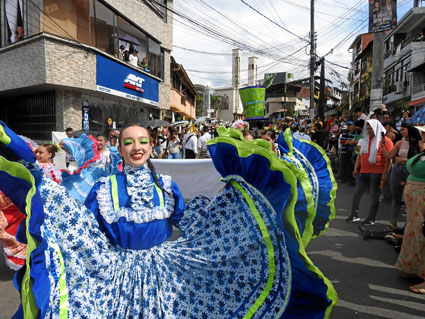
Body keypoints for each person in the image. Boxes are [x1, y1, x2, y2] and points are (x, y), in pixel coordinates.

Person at [0, 122, 338, 318]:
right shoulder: (104, 187)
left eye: (143, 141)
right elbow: (86, 229)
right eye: (129, 142)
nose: (137, 147)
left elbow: (189, 221)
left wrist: (229, 217)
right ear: (119, 148)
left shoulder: (166, 185)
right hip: (116, 274)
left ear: (151, 147)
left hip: (166, 268)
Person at [395, 124, 425, 294]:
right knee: (415, 233)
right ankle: (415, 269)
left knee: (422, 235)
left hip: (422, 201)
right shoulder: (421, 150)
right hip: (415, 203)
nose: (421, 134)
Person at [346, 119, 393, 224]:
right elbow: (360, 154)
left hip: (377, 173)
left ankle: (371, 218)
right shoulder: (365, 139)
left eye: (371, 128)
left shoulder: (386, 141)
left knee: (374, 197)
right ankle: (354, 215)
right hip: (363, 171)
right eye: (367, 128)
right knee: (357, 193)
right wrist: (356, 168)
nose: (369, 130)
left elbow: (388, 159)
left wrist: (385, 174)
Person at [381, 122, 421, 228]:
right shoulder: (399, 143)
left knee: (409, 200)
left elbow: (420, 160)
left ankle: (408, 225)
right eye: (401, 129)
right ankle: (392, 222)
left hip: (410, 171)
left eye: (403, 129)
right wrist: (383, 146)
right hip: (398, 171)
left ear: (409, 130)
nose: (401, 131)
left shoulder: (419, 143)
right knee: (396, 198)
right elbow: (389, 156)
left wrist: (403, 160)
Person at [338, 121, 356, 186]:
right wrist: (348, 141)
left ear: (353, 126)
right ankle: (343, 178)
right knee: (343, 165)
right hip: (344, 151)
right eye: (348, 125)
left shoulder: (355, 134)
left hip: (351, 152)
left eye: (350, 125)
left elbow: (354, 142)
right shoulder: (344, 133)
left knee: (350, 166)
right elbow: (342, 141)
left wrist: (349, 142)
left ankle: (351, 180)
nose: (349, 126)